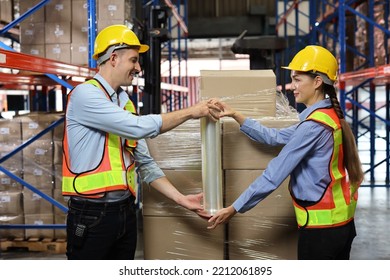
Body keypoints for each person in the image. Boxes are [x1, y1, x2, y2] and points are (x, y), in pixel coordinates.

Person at [62, 24, 221, 260]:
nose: (138, 68)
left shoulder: (124, 102)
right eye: (134, 60)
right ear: (113, 58)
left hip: (125, 212)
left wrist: (181, 199)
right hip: (92, 214)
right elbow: (138, 127)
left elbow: (144, 162)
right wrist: (191, 112)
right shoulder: (86, 95)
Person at [207, 45, 364, 260]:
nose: (292, 86)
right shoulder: (325, 117)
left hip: (322, 231)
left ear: (317, 81)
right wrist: (236, 115)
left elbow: (274, 174)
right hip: (338, 224)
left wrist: (234, 208)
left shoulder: (313, 127)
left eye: (297, 79)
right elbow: (275, 137)